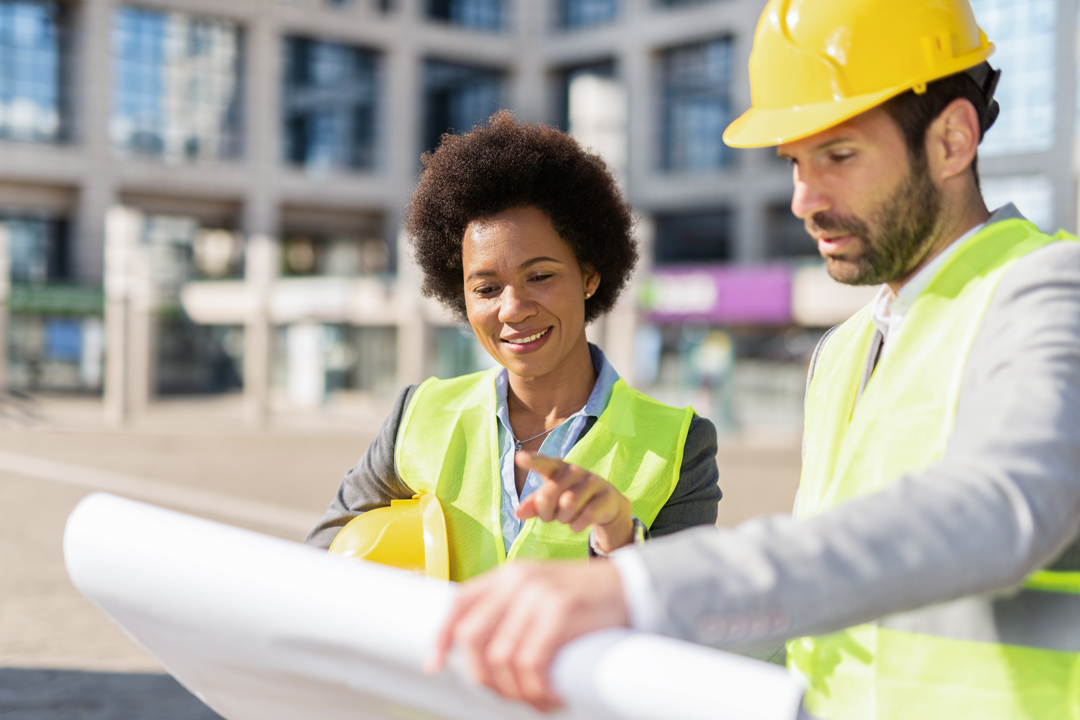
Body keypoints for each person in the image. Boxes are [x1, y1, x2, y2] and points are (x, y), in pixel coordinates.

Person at [428, 1, 1080, 717]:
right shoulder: (841, 353)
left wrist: (644, 590)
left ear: (952, 140)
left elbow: (1001, 506)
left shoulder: (1049, 289)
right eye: (796, 161)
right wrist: (629, 561)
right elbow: (812, 623)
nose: (804, 199)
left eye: (838, 155)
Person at [305, 111, 721, 582]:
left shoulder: (680, 447)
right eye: (486, 288)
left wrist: (620, 541)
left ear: (589, 275)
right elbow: (321, 564)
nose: (512, 309)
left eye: (540, 277)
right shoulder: (415, 417)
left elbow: (683, 618)